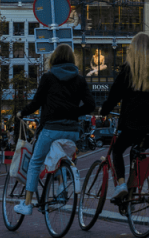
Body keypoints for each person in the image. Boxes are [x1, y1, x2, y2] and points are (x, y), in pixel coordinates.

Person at [13, 44, 95, 216]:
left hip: (51, 129)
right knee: (62, 158)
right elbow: (91, 105)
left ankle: (27, 204)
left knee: (35, 163)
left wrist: (21, 112)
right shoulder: (79, 79)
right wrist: (74, 112)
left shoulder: (48, 77)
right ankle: (61, 190)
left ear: (54, 59)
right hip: (72, 131)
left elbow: (36, 103)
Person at [100, 32, 149, 200]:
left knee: (118, 149)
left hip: (134, 124)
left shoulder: (129, 69)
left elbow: (114, 95)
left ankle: (121, 185)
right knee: (137, 152)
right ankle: (131, 191)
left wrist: (104, 111)